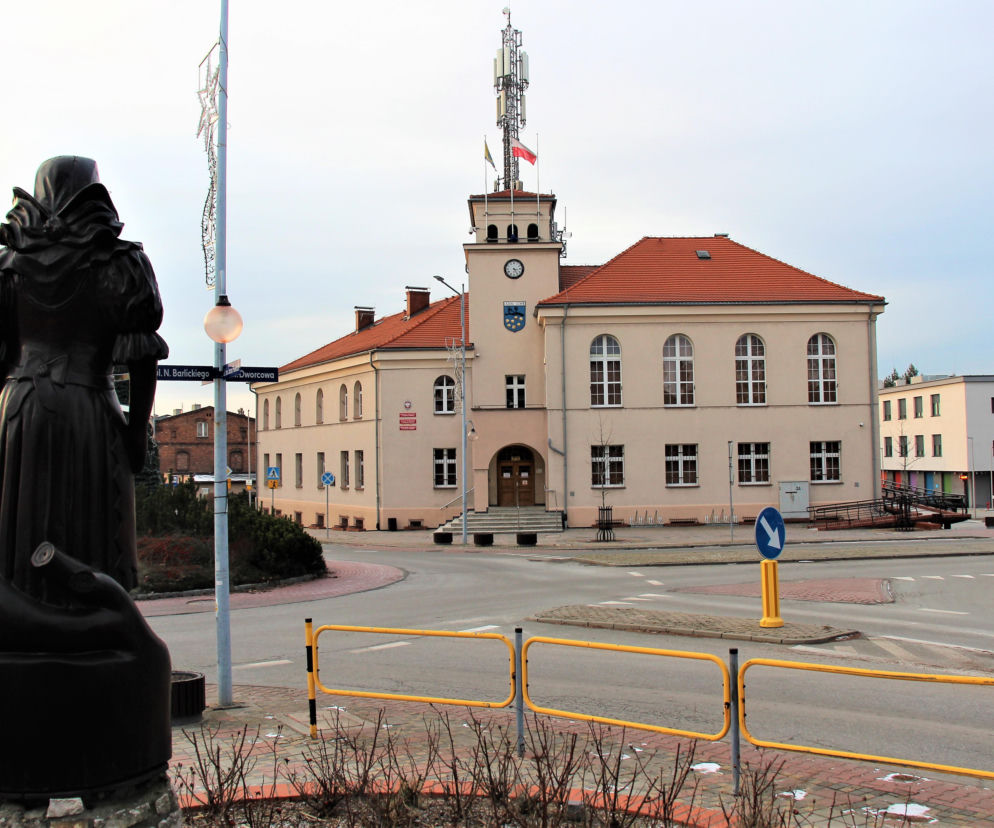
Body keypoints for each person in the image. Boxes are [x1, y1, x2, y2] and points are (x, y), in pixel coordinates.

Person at [0, 156, 168, 603]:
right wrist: (137, 433)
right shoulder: (120, 261)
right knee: (90, 526)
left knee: (19, 519)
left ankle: (22, 617)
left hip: (16, 408)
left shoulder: (8, 263)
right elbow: (142, 356)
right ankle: (89, 622)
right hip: (88, 408)